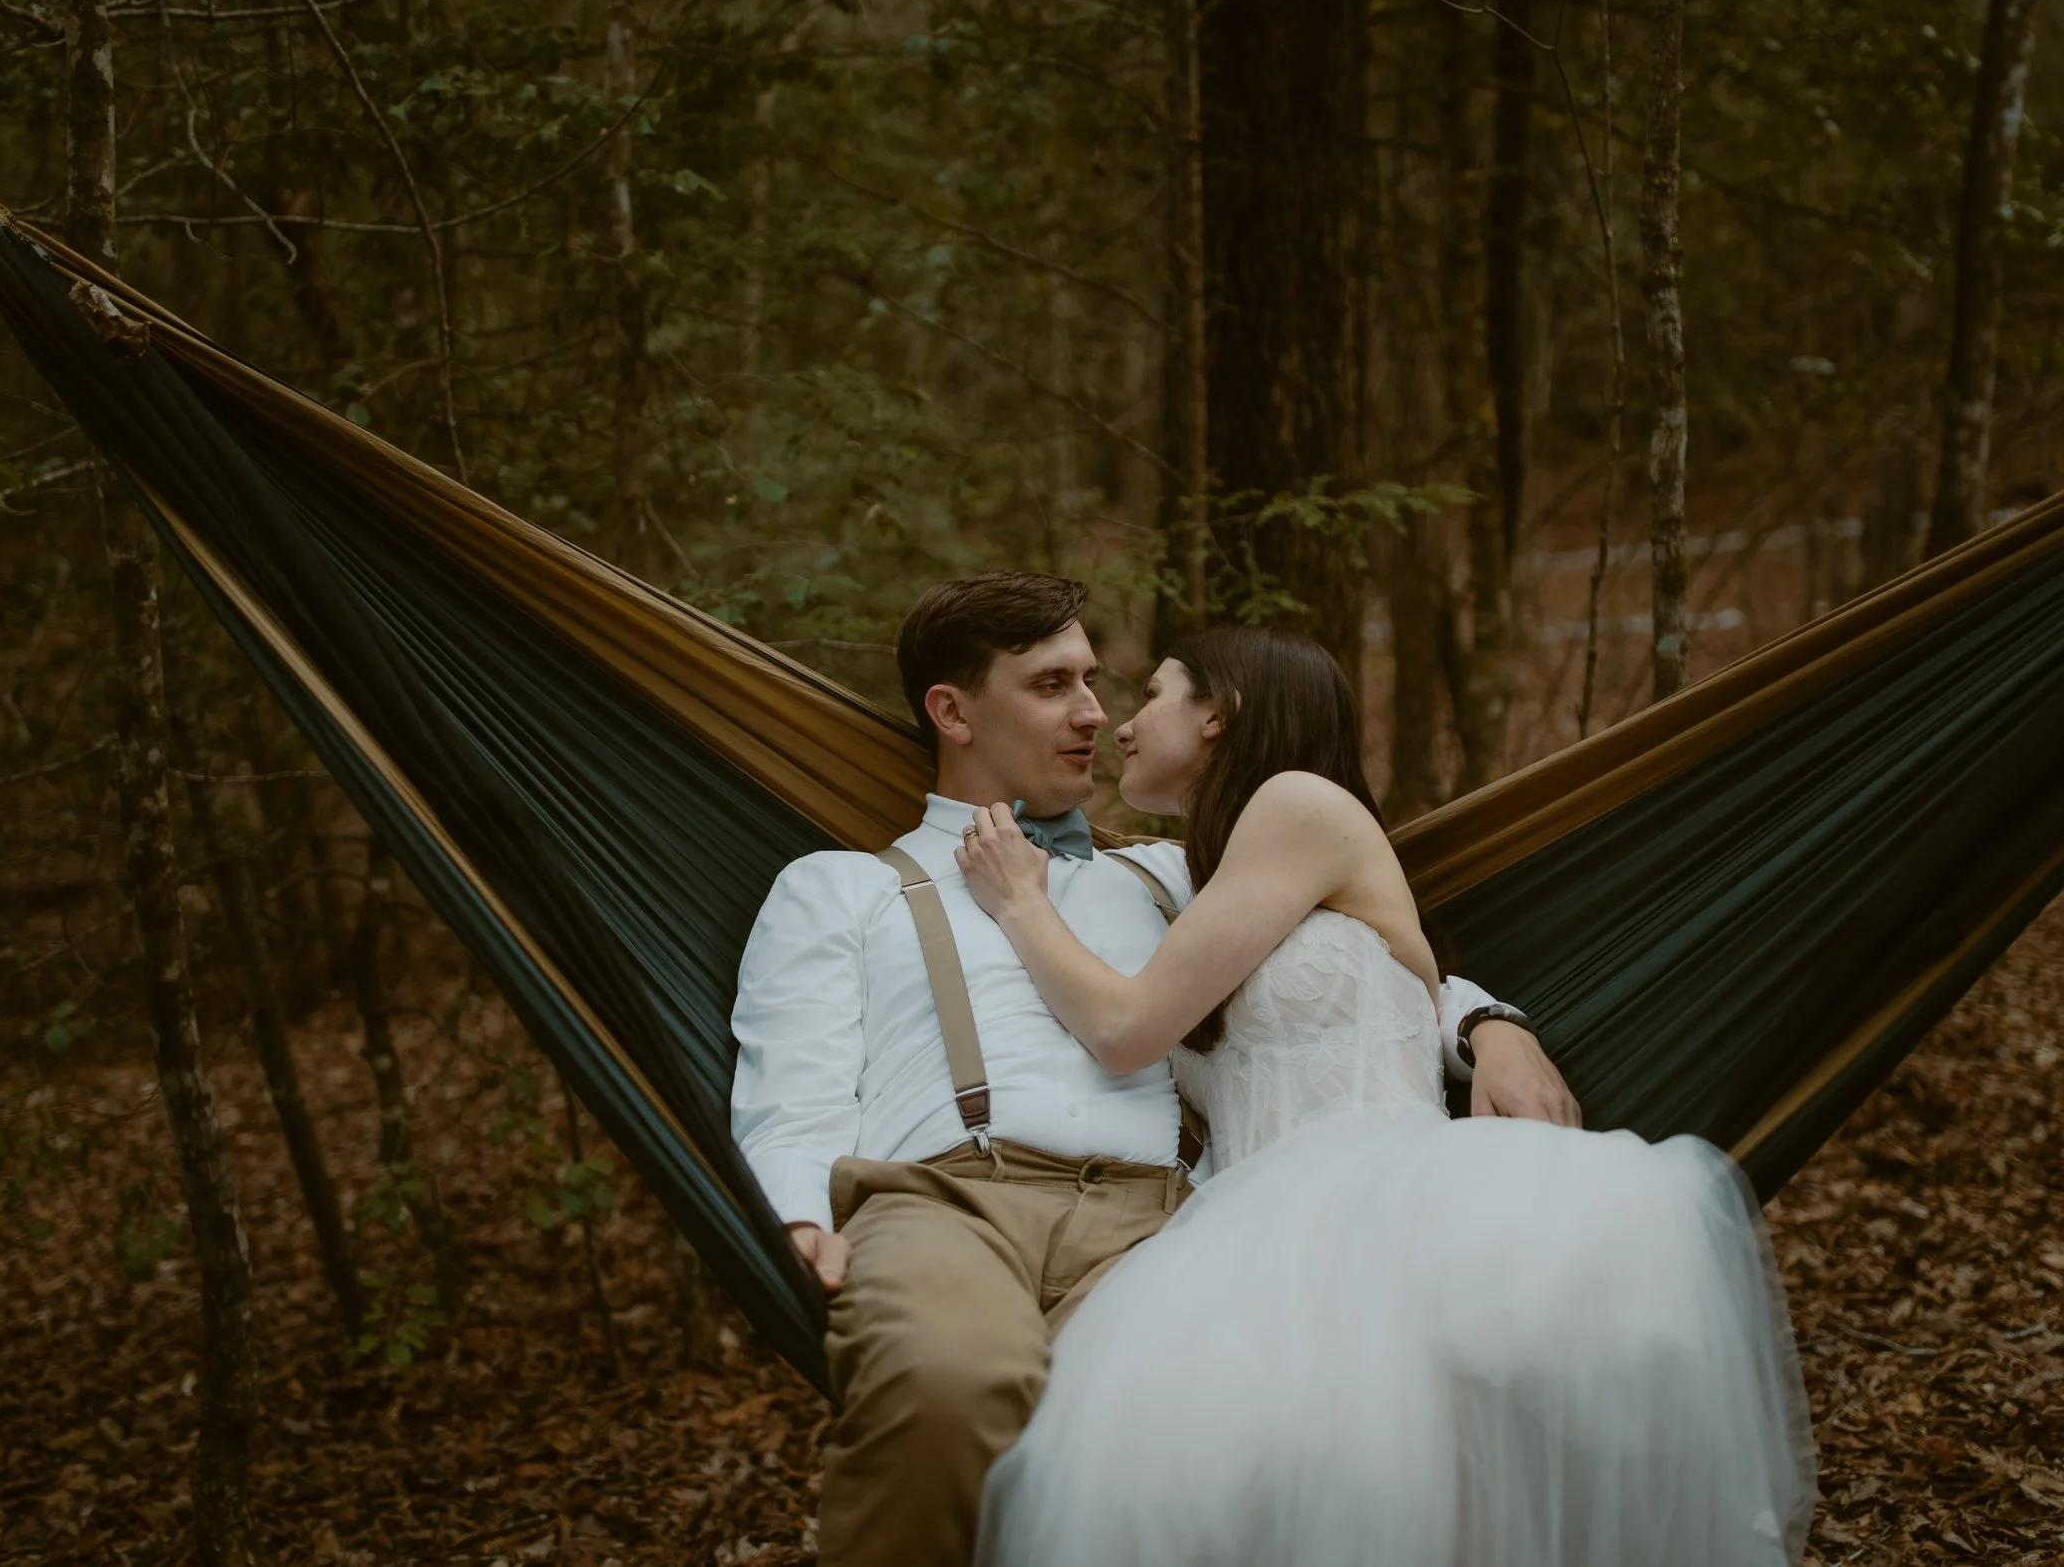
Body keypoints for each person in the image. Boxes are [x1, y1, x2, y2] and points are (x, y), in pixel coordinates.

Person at [728, 576, 1578, 1567]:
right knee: (953, 1385)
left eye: (1093, 681)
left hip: (1160, 1224)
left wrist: (1491, 1021)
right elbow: (795, 1093)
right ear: (951, 710)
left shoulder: (1178, 874)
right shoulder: (839, 886)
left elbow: (1348, 969)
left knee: (1182, 1432)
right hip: (946, 1202)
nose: (1093, 711)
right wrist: (798, 1214)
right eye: (1053, 685)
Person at [961, 626, 1817, 1567]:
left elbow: (1128, 1027)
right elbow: (1396, 981)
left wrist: (1021, 905)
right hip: (1246, 1225)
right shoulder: (1189, 875)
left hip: (1384, 1196)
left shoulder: (1297, 804)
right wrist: (1482, 1021)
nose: (1124, 722)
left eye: (1153, 693)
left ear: (1219, 711)